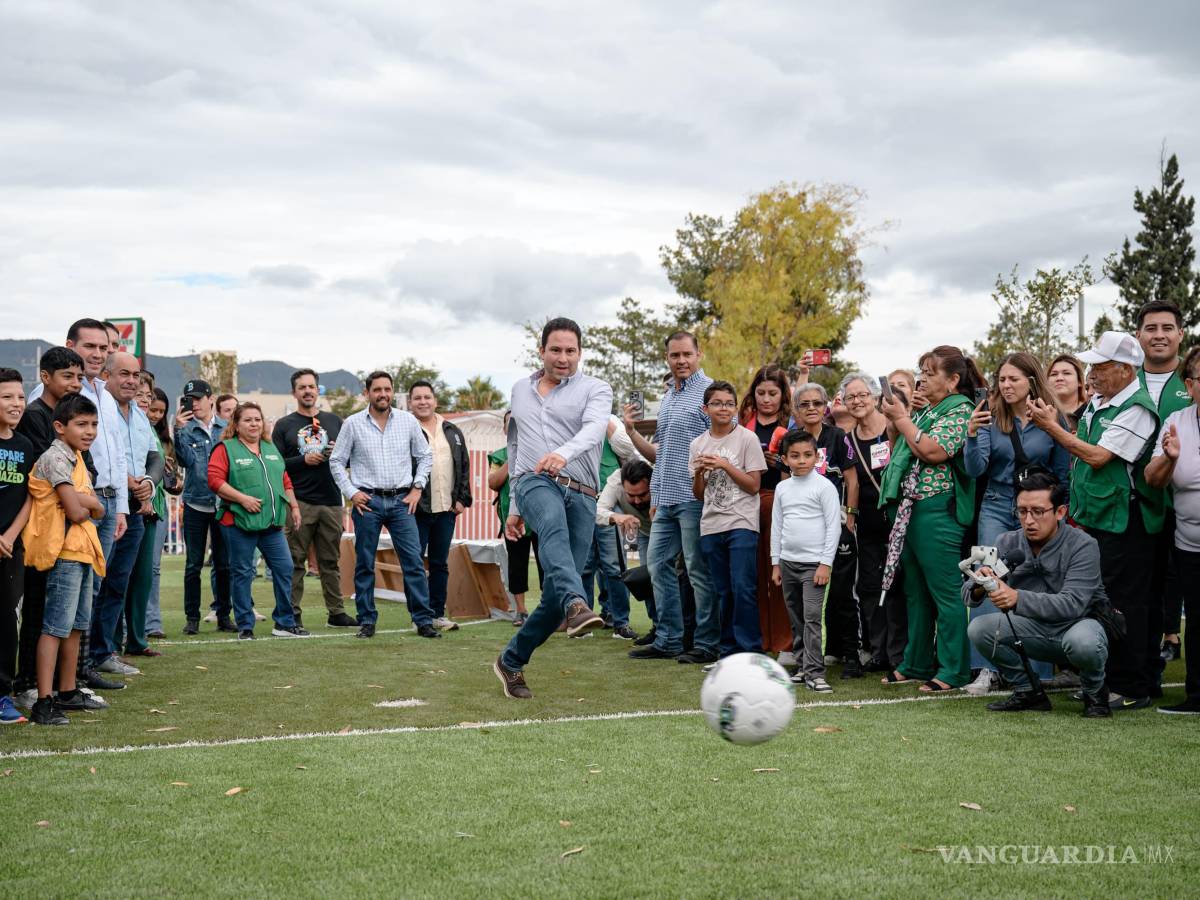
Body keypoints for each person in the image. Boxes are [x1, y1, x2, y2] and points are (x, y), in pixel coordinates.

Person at [1029, 331, 1160, 711]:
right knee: (1103, 600)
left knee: (1126, 604)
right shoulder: (1101, 402)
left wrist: (1051, 427)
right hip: (1099, 518)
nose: (1093, 374)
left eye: (1100, 367)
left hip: (1126, 523)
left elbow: (1100, 457)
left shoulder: (1137, 408)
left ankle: (1132, 686)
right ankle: (1106, 680)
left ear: (1124, 369)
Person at [493, 318, 611, 699]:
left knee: (553, 599)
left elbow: (594, 430)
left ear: (580, 353)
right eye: (555, 350)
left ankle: (511, 660)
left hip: (582, 491)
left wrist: (563, 454)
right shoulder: (519, 390)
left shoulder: (596, 389)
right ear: (541, 351)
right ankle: (579, 604)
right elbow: (514, 446)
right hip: (533, 481)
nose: (563, 358)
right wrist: (513, 504)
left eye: (570, 351)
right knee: (554, 533)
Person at [963, 353, 1071, 693]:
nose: (1006, 386)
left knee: (1035, 583)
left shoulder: (1052, 419)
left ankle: (1038, 668)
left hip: (1038, 509)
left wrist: (1056, 513)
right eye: (1002, 380)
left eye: (1014, 379)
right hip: (996, 504)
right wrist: (970, 435)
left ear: (1032, 382)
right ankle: (985, 669)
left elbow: (1062, 472)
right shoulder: (991, 418)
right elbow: (975, 469)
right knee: (986, 579)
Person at [29, 320, 128, 692]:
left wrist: (114, 506)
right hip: (65, 535)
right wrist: (92, 503)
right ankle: (43, 691)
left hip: (92, 525)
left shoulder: (103, 392)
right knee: (56, 618)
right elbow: (72, 502)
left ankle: (74, 681)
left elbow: (114, 456)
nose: (88, 431)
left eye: (105, 348)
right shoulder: (49, 406)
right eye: (91, 346)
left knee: (82, 613)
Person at [879, 345, 983, 691]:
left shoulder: (961, 411)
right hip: (910, 508)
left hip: (938, 509)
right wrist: (898, 419)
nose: (921, 378)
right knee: (915, 591)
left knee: (945, 593)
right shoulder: (929, 411)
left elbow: (934, 451)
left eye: (929, 373)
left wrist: (904, 419)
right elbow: (902, 446)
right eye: (920, 371)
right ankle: (917, 661)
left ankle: (953, 668)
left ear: (952, 380)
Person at [965, 472, 1112, 717]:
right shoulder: (1007, 541)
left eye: (1038, 511)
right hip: (1033, 631)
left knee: (1084, 642)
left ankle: (1095, 692)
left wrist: (1017, 598)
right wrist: (982, 582)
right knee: (979, 629)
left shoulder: (1084, 544)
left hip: (1077, 627)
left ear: (1060, 512)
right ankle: (1028, 691)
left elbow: (1073, 604)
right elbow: (969, 594)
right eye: (1022, 511)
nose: (1029, 520)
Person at [622, 332, 718, 663]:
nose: (681, 360)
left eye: (686, 354)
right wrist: (632, 431)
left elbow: (720, 442)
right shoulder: (668, 397)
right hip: (664, 498)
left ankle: (706, 643)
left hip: (694, 497)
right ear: (667, 358)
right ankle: (669, 639)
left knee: (696, 570)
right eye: (674, 355)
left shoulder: (710, 394)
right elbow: (660, 453)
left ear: (698, 354)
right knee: (657, 565)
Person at [329, 371, 439, 640]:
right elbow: (336, 461)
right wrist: (352, 493)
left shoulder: (408, 421)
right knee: (365, 563)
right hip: (368, 501)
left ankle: (423, 620)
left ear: (393, 392)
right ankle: (367, 620)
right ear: (367, 393)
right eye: (377, 390)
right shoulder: (353, 424)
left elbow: (425, 456)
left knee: (413, 561)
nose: (383, 394)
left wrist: (417, 488)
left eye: (387, 389)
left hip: (402, 501)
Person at [24, 394, 107, 725]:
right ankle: (44, 700)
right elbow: (76, 510)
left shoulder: (77, 457)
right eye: (82, 425)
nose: (89, 431)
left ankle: (68, 690)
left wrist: (86, 501)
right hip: (63, 553)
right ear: (60, 427)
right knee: (55, 626)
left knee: (76, 626)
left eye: (94, 425)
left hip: (82, 550)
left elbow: (79, 504)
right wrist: (94, 503)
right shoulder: (56, 459)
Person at [13, 347, 86, 709]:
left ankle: (64, 683)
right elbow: (57, 480)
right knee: (40, 611)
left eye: (79, 377)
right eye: (67, 376)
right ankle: (28, 683)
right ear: (45, 377)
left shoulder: (68, 415)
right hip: (45, 531)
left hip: (68, 533)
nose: (74, 383)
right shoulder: (35, 417)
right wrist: (89, 501)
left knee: (66, 616)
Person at [207, 403, 309, 639]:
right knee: (243, 572)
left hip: (272, 524)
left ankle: (284, 623)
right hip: (239, 522)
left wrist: (294, 506)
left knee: (285, 568)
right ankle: (245, 626)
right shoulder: (226, 448)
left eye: (257, 419)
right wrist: (242, 499)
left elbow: (285, 480)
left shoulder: (270, 448)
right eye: (248, 420)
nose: (254, 424)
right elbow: (214, 480)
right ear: (236, 424)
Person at [88, 352, 157, 677]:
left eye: (135, 375)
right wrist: (128, 481)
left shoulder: (142, 417)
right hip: (105, 502)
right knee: (96, 584)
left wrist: (146, 485)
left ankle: (104, 652)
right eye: (123, 374)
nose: (131, 380)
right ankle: (83, 659)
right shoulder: (97, 408)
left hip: (136, 509)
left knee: (118, 583)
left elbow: (154, 458)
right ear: (107, 375)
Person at [271, 369, 355, 628]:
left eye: (311, 386)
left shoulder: (335, 422)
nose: (307, 391)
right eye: (302, 387)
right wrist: (303, 460)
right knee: (295, 561)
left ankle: (336, 612)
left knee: (331, 562)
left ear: (318, 390)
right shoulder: (284, 425)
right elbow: (275, 465)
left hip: (331, 501)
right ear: (294, 392)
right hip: (299, 502)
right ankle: (291, 614)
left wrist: (335, 455)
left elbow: (351, 458)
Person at [1132, 301, 1190, 678]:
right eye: (1151, 328)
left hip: (1186, 504)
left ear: (1180, 334)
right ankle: (1143, 673)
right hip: (1135, 504)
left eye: (1167, 328)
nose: (1159, 335)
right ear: (1138, 335)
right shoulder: (1124, 380)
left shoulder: (1192, 380)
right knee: (1141, 594)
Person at [690, 381, 766, 661]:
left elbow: (754, 485)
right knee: (722, 592)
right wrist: (700, 472)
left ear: (735, 407)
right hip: (711, 526)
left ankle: (750, 651)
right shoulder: (698, 443)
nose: (724, 408)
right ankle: (728, 652)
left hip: (742, 523)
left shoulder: (747, 439)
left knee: (743, 588)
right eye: (717, 403)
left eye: (729, 403)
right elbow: (699, 494)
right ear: (705, 408)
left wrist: (724, 464)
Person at [1144, 344, 1200, 714]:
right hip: (1189, 544)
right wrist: (1170, 457)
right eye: (1199, 378)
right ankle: (1196, 696)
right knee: (1195, 618)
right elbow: (1152, 478)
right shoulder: (1177, 422)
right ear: (1189, 383)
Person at [793, 382, 862, 677]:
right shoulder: (792, 440)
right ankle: (808, 657)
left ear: (826, 407)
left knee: (843, 594)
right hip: (803, 530)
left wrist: (850, 516)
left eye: (817, 403)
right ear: (797, 409)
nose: (811, 408)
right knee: (804, 597)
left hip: (834, 526)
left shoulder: (837, 437)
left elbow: (853, 479)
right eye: (805, 404)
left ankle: (850, 655)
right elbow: (786, 484)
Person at [841, 372, 907, 674]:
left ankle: (901, 653)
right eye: (850, 397)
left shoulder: (893, 427)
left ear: (874, 397)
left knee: (899, 586)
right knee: (870, 586)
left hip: (898, 517)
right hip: (867, 521)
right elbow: (851, 481)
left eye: (862, 395)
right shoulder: (849, 440)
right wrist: (851, 516)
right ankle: (878, 650)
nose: (857, 401)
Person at [771, 430, 841, 693]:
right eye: (795, 456)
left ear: (817, 456)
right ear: (785, 459)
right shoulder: (782, 488)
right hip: (788, 563)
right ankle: (802, 666)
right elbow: (777, 526)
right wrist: (776, 563)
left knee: (812, 618)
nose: (801, 460)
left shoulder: (824, 487)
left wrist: (825, 563)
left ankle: (816, 672)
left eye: (807, 455)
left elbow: (834, 527)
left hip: (814, 566)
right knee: (796, 617)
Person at [408, 380, 472, 632]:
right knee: (414, 563)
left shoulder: (452, 431)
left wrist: (462, 499)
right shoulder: (406, 429)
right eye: (417, 398)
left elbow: (464, 466)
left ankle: (437, 613)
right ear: (410, 403)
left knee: (439, 564)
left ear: (435, 400)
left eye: (427, 397)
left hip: (446, 509)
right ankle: (418, 616)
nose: (423, 402)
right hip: (417, 509)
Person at [738, 365, 792, 656]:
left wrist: (780, 463)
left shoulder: (792, 426)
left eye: (773, 393)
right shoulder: (742, 424)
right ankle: (758, 641)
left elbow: (806, 464)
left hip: (778, 500)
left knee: (779, 574)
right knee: (752, 576)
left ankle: (785, 643)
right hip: (745, 502)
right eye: (761, 393)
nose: (766, 399)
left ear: (783, 395)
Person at [175, 379, 233, 634]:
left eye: (198, 398)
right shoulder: (184, 429)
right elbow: (186, 461)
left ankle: (224, 615)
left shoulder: (227, 427)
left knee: (223, 564)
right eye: (190, 399)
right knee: (193, 565)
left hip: (222, 504)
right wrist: (177, 431)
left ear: (211, 398)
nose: (194, 403)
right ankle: (192, 618)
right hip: (196, 503)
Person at [118, 372, 168, 659]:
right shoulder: (114, 418)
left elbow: (156, 460)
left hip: (149, 506)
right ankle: (112, 642)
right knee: (120, 575)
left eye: (149, 394)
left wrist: (148, 487)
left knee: (144, 575)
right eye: (140, 393)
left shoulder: (145, 426)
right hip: (125, 502)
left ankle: (136, 638)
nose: (145, 399)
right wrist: (140, 491)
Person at [488, 411, 542, 627]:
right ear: (504, 429)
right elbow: (493, 482)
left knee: (546, 563)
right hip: (512, 519)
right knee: (517, 565)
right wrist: (513, 457)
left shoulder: (541, 451)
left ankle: (546, 610)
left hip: (540, 515)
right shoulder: (500, 455)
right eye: (510, 425)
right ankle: (521, 611)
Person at [0, 370, 32, 724]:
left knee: (7, 623)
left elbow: (30, 499)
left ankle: (2, 695)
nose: (16, 404)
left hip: (11, 548)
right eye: (7, 396)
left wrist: (10, 536)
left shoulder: (23, 446)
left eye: (20, 397)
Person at [595, 458, 654, 631]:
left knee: (671, 578)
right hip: (644, 533)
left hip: (671, 532)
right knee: (648, 579)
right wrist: (617, 517)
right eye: (631, 495)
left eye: (643, 495)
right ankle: (657, 627)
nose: (636, 501)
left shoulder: (659, 474)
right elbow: (597, 510)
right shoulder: (616, 479)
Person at [143, 387, 178, 639]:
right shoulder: (134, 431)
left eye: (161, 412)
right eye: (153, 408)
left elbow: (172, 483)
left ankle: (152, 621)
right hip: (138, 504)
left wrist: (172, 477)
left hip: (159, 504)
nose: (155, 414)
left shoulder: (165, 440)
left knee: (154, 568)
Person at [1047, 354, 1089, 427]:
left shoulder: (1091, 413)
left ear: (1079, 381)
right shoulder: (1039, 413)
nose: (1059, 378)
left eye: (1067, 373)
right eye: (1054, 374)